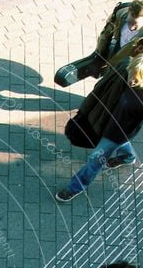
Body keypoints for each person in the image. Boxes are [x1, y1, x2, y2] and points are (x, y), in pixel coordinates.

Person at [56, 52, 143, 202]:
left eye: (136, 75)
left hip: (118, 132)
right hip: (107, 120)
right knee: (121, 143)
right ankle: (128, 157)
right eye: (132, 72)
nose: (132, 78)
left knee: (95, 159)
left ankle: (74, 187)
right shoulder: (126, 66)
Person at [96, 0, 143, 66]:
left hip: (131, 61)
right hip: (118, 48)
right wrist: (101, 53)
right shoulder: (120, 13)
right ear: (128, 11)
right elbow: (106, 34)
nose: (131, 28)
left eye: (136, 25)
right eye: (129, 22)